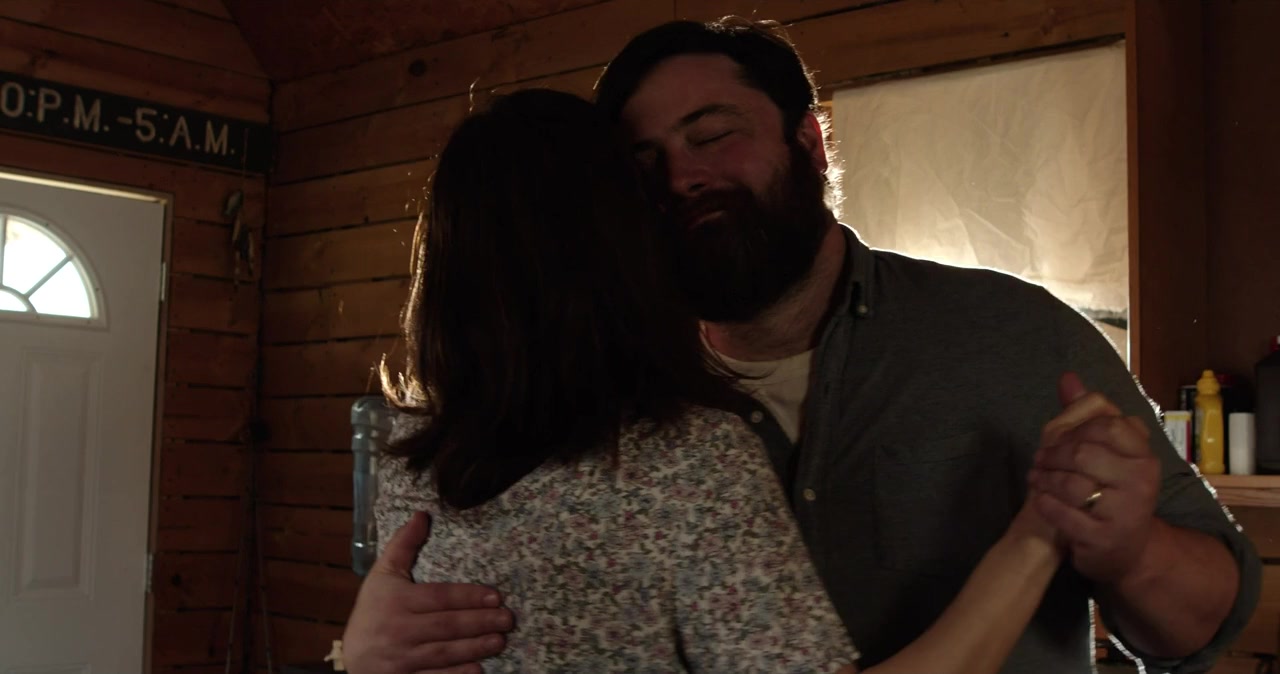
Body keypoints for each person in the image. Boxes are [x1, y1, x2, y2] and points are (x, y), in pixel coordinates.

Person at [344, 17, 1262, 674]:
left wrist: (1127, 548)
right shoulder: (616, 415)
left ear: (810, 143)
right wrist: (359, 653)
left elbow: (1208, 622)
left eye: (714, 136)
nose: (682, 178)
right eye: (643, 165)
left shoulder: (1014, 334)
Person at [359, 86, 1071, 673]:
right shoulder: (685, 465)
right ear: (622, 243)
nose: (682, 188)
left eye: (711, 137)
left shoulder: (411, 467)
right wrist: (1034, 539)